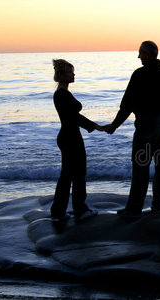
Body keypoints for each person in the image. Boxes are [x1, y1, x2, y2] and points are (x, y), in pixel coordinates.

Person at [104, 41, 160, 218]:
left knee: (141, 165)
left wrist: (114, 125)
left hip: (147, 124)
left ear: (147, 54)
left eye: (140, 53)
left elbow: (127, 104)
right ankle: (158, 205)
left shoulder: (139, 74)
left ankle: (135, 208)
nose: (138, 57)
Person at [51, 59, 102, 222]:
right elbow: (74, 117)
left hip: (68, 135)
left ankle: (58, 211)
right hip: (70, 137)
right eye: (69, 72)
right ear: (61, 75)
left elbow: (74, 116)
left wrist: (94, 126)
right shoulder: (62, 94)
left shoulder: (62, 92)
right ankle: (80, 210)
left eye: (73, 71)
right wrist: (96, 126)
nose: (73, 74)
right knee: (78, 174)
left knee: (67, 176)